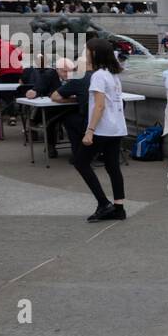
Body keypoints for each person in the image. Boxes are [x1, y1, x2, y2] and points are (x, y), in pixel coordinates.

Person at [73, 38, 128, 222]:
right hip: (116, 127)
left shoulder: (98, 76)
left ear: (94, 53)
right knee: (112, 166)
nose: (84, 53)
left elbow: (99, 106)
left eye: (86, 50)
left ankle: (103, 203)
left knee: (80, 162)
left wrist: (90, 130)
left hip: (102, 128)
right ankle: (119, 208)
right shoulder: (112, 74)